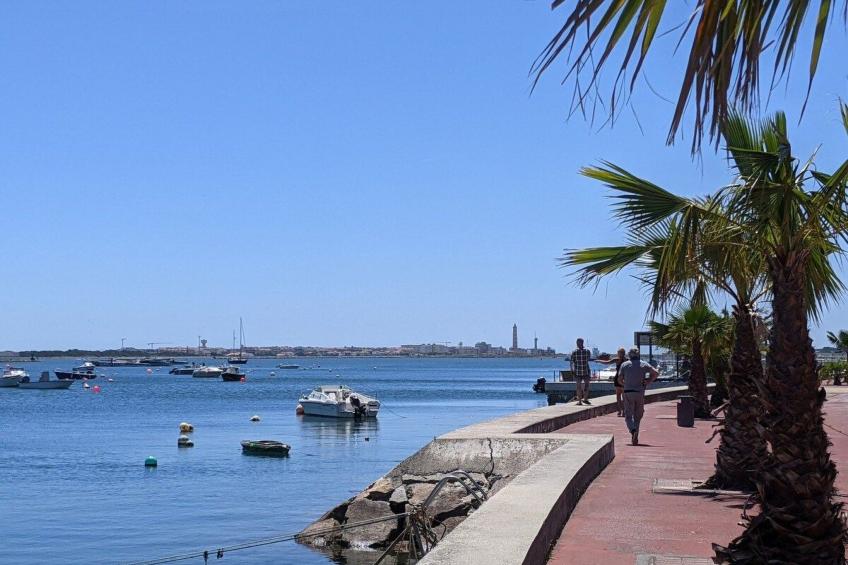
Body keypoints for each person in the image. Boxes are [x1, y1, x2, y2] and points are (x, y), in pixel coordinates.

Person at [619, 348, 659, 445]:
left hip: (628, 392)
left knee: (628, 416)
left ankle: (633, 431)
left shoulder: (625, 365)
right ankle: (636, 435)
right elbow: (656, 373)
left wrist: (625, 384)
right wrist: (648, 381)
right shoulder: (643, 364)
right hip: (640, 392)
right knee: (638, 415)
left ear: (629, 355)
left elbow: (620, 379)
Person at [597, 348, 627, 416]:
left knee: (619, 396)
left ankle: (620, 411)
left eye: (619, 352)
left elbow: (607, 363)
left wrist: (598, 361)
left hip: (618, 377)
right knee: (623, 396)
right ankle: (623, 411)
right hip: (624, 378)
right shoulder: (627, 360)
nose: (618, 354)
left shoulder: (617, 359)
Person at [570, 338, 592, 405]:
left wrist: (572, 370)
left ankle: (580, 401)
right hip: (586, 371)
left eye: (577, 342)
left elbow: (571, 362)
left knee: (578, 387)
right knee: (586, 386)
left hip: (577, 372)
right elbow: (588, 359)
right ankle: (585, 399)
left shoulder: (574, 352)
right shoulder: (587, 351)